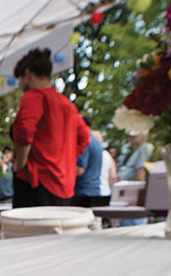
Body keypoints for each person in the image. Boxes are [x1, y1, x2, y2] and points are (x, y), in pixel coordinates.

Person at [11, 48, 89, 207]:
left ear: (28, 74)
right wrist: (63, 158)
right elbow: (84, 137)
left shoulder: (34, 96)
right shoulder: (67, 105)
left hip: (36, 181)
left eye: (20, 79)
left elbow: (25, 131)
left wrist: (20, 162)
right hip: (63, 184)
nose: (19, 84)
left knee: (29, 231)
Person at [72, 117, 109, 207]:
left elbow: (79, 170)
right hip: (94, 191)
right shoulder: (95, 142)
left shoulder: (85, 141)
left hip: (83, 193)